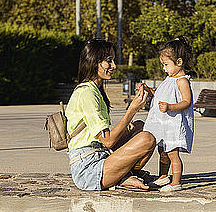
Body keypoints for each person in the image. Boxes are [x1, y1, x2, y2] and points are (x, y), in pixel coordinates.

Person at [65, 39, 156, 191]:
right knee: (146, 139)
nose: (113, 66)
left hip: (101, 155)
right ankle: (125, 177)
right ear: (94, 62)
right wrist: (132, 109)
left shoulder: (95, 90)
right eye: (109, 61)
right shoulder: (87, 93)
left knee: (139, 127)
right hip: (88, 168)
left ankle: (125, 177)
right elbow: (107, 141)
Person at [143, 35, 194, 192]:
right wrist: (150, 91)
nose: (164, 68)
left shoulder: (182, 81)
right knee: (162, 151)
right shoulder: (169, 79)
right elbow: (161, 94)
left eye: (166, 64)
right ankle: (163, 177)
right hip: (163, 123)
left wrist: (170, 107)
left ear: (179, 62)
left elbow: (187, 101)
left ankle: (176, 182)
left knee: (172, 153)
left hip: (173, 124)